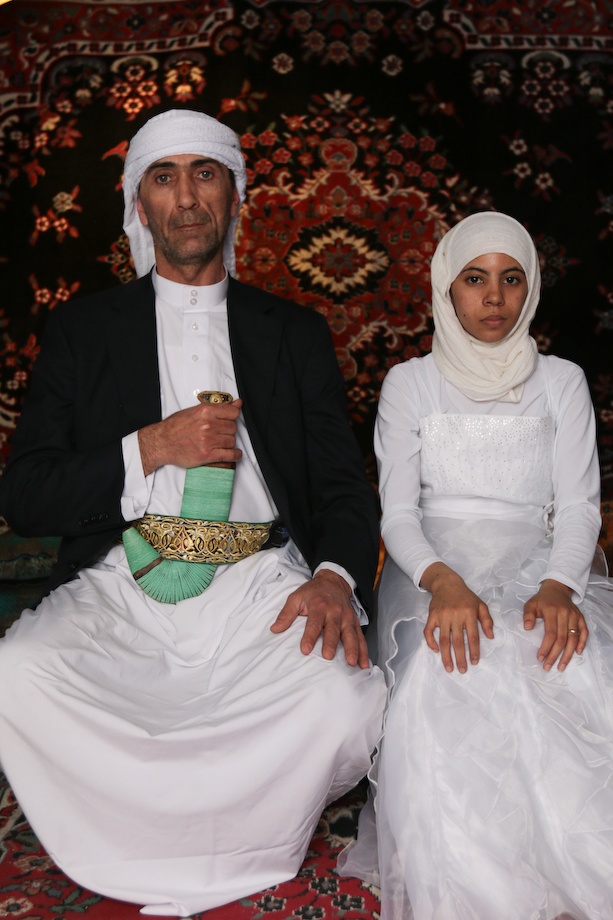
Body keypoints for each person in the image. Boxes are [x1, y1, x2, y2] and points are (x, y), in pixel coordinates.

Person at [0, 109, 386, 917]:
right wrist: (150, 446)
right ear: (138, 204)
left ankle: (238, 841)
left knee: (341, 699)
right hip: (126, 582)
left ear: (235, 195)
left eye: (204, 174)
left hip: (257, 585)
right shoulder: (81, 330)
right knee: (16, 671)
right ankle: (134, 841)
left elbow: (343, 487)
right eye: (164, 178)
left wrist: (332, 577)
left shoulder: (293, 332)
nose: (185, 198)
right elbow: (27, 494)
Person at [338, 211, 613, 919]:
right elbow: (398, 516)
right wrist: (445, 584)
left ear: (531, 289)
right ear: (446, 288)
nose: (493, 297)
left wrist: (560, 586)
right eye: (474, 278)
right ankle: (482, 884)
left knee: (564, 661)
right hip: (433, 567)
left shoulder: (561, 381)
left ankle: (563, 864)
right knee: (453, 665)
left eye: (511, 279)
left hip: (539, 560)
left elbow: (578, 506)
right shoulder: (410, 383)